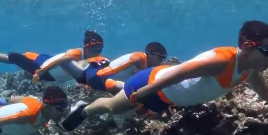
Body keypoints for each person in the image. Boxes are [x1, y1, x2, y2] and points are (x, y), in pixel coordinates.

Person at [61, 21, 268, 131]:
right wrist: (143, 93)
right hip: (153, 84)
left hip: (167, 97)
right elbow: (178, 72)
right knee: (114, 109)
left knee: (130, 104)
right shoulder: (220, 61)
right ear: (248, 46)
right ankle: (83, 110)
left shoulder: (249, 69)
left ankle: (121, 87)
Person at [0, 31, 105, 84]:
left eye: (100, 47)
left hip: (48, 66)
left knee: (27, 68)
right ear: (86, 46)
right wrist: (41, 72)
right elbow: (60, 61)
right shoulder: (76, 53)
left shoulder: (96, 59)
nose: (97, 50)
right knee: (15, 58)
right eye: (95, 47)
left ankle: (29, 70)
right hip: (44, 66)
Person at [35, 41, 169, 94]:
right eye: (160, 58)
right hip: (97, 77)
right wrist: (42, 71)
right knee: (66, 62)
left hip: (97, 77)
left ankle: (74, 81)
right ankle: (46, 70)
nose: (160, 61)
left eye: (163, 59)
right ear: (150, 53)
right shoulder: (140, 57)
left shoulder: (145, 63)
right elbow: (136, 61)